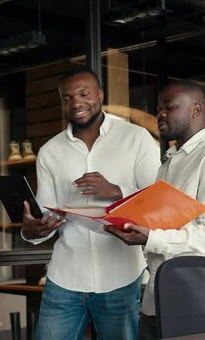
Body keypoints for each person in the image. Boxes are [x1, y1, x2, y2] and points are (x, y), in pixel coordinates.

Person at [21, 68, 160, 340]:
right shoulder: (50, 151)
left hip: (121, 276)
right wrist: (32, 229)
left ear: (100, 94)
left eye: (84, 94)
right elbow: (46, 212)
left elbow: (156, 201)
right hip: (64, 276)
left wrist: (115, 191)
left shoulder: (136, 138)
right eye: (67, 98)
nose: (76, 103)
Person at [105, 81, 205, 340]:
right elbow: (167, 224)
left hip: (201, 302)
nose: (160, 114)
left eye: (169, 107)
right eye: (159, 108)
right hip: (163, 298)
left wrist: (150, 237)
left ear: (196, 110)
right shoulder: (169, 164)